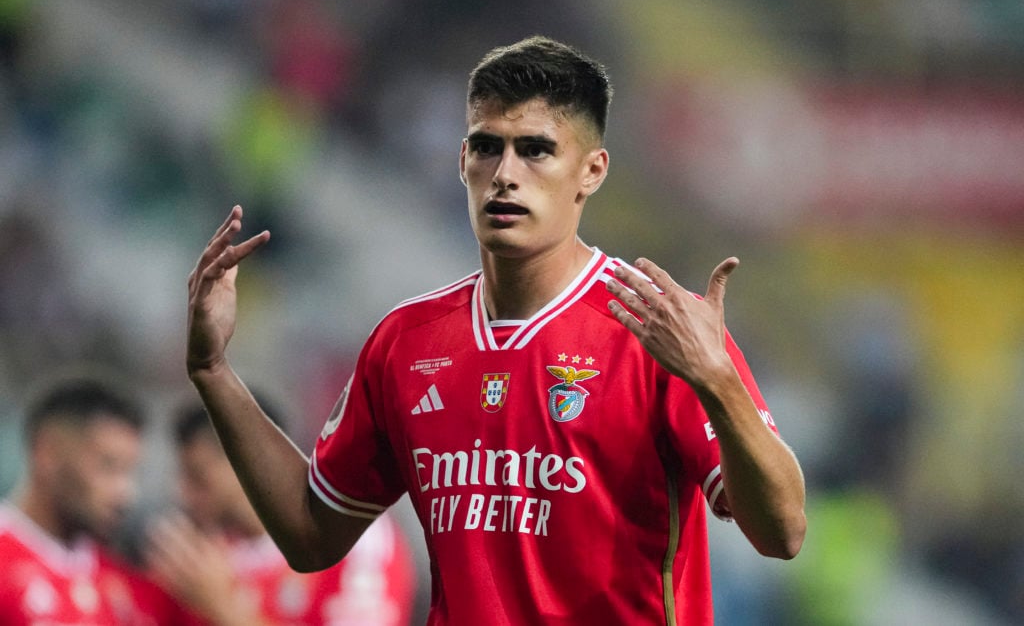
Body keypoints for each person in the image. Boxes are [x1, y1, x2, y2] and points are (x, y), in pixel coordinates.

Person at [185, 35, 807, 624]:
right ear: (462, 162)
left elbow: (783, 532)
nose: (505, 173)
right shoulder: (406, 341)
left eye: (536, 149)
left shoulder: (657, 329)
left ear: (591, 171)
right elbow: (310, 532)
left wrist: (717, 381)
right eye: (487, 147)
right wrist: (213, 372)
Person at [145, 398, 415, 625]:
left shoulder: (356, 533)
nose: (182, 493)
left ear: (248, 459)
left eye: (198, 476)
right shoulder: (202, 558)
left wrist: (227, 610)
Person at [0, 371, 181, 625]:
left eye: (130, 471)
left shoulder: (133, 585)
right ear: (48, 452)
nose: (126, 493)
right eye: (108, 466)